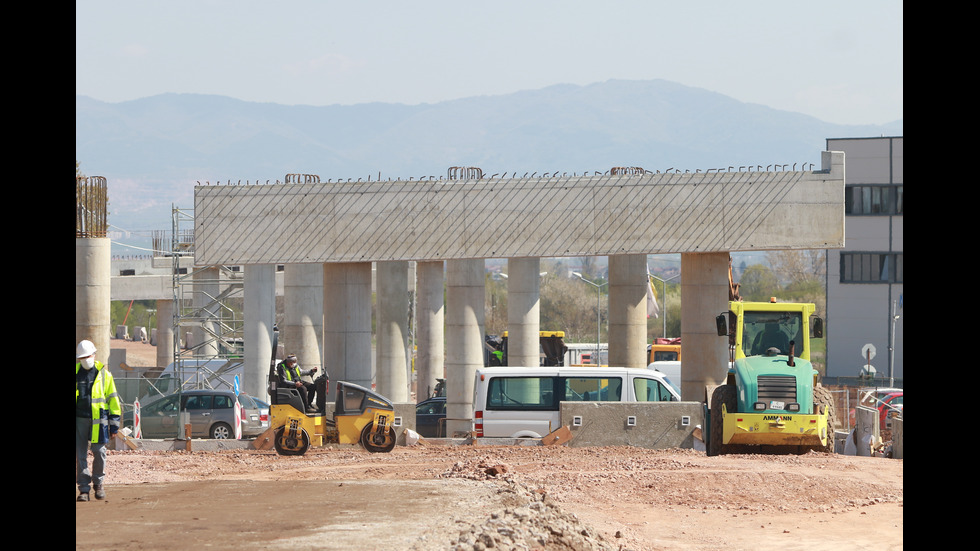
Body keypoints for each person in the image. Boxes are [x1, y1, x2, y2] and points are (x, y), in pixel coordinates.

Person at [75, 339, 122, 502]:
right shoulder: (75, 373)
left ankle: (99, 484)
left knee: (100, 452)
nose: (85, 359)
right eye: (82, 357)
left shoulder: (104, 375)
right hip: (79, 420)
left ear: (94, 355)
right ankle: (84, 489)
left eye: (88, 356)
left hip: (99, 421)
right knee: (79, 455)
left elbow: (113, 401)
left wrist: (114, 426)